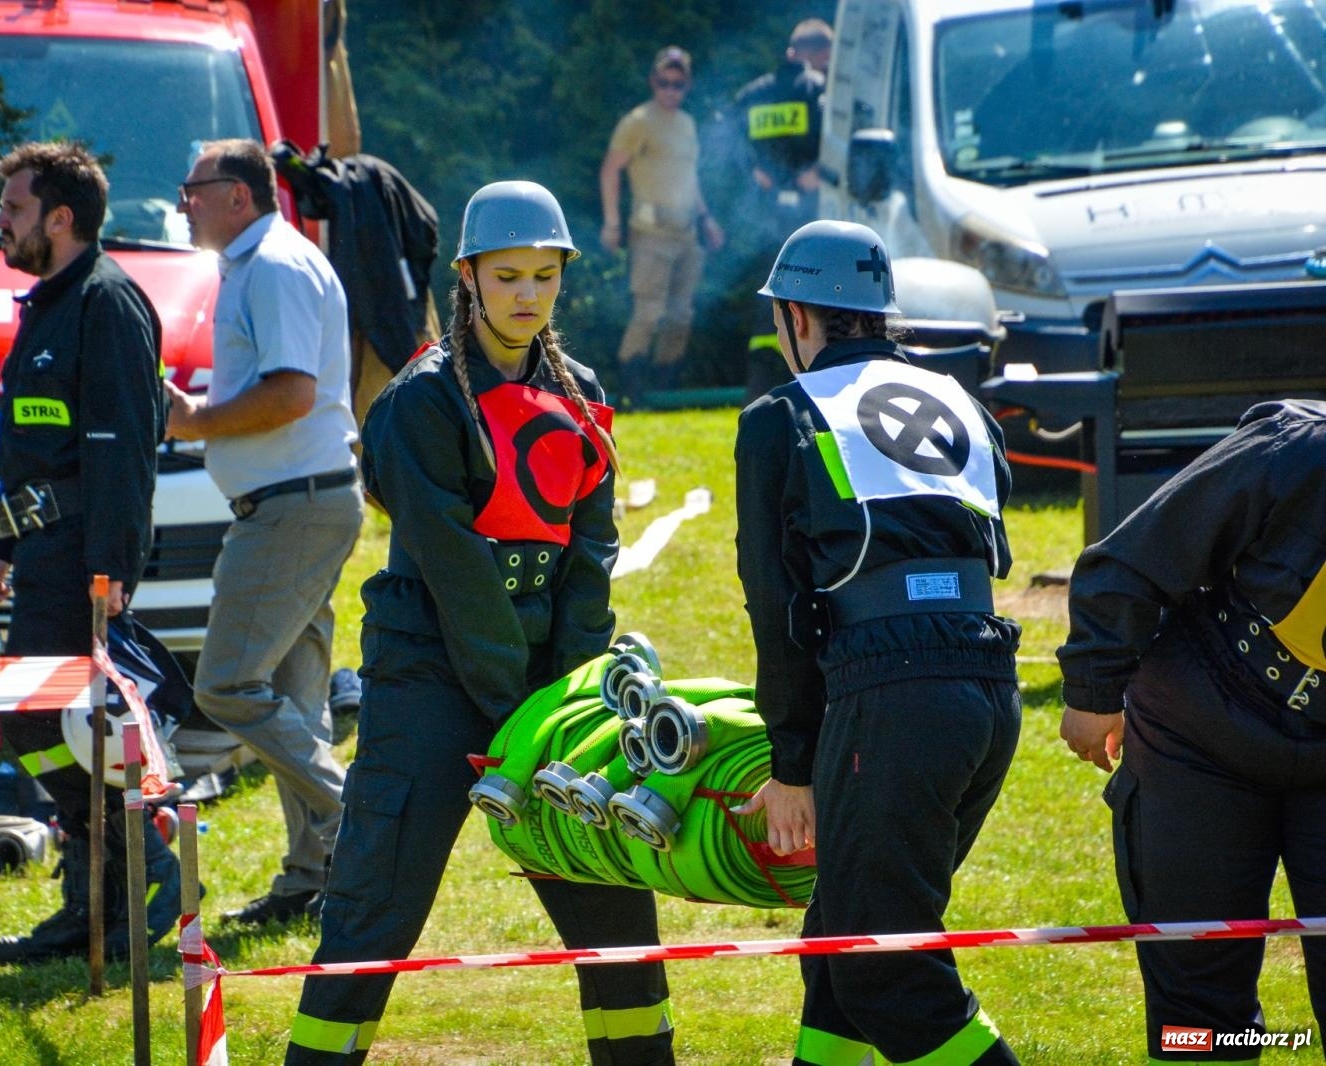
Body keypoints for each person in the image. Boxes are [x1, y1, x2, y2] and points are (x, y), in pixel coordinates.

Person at [285, 181, 676, 1065]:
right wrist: (518, 709)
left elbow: (591, 555)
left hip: (546, 682)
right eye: (507, 277)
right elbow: (456, 573)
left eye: (545, 275)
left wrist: (570, 695)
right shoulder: (422, 401)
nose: (528, 295)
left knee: (612, 903)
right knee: (374, 906)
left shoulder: (582, 393)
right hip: (427, 676)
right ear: (467, 276)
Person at [733, 220, 1023, 1064]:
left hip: (894, 699)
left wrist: (792, 767)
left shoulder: (781, 416)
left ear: (795, 315)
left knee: (879, 967)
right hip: (985, 689)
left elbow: (776, 605)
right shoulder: (963, 402)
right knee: (841, 946)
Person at [1057, 400, 1326, 1058]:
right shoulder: (1297, 446)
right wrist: (1094, 689)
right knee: (1199, 1025)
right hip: (1199, 731)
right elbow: (1130, 558)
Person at [0, 141, 185, 964]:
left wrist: (113, 574)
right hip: (40, 555)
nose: (1, 222)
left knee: (47, 720)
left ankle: (149, 867)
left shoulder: (108, 305)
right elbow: (32, 449)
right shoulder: (48, 303)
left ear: (61, 218)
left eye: (15, 209)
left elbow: (124, 456)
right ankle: (93, 900)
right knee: (36, 723)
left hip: (82, 563)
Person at [163, 139, 363, 928]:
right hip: (299, 503)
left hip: (291, 507)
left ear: (239, 196)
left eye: (194, 188)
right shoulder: (261, 262)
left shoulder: (274, 265)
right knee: (294, 700)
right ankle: (314, 878)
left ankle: (362, 825)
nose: (184, 202)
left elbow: (290, 394)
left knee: (227, 686)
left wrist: (196, 422)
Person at [599, 45, 724, 407]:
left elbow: (690, 178)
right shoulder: (638, 121)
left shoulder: (686, 124)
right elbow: (610, 169)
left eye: (678, 84)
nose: (670, 90)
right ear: (653, 81)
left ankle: (662, 392)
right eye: (664, 82)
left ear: (687, 85)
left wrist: (707, 220)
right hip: (650, 233)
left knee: (681, 315)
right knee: (648, 312)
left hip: (686, 233)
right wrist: (611, 223)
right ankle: (630, 395)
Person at [734, 19, 830, 403]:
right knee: (810, 294)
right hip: (809, 214)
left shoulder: (755, 93)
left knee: (767, 300)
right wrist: (817, 171)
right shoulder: (819, 90)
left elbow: (726, 138)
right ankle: (809, 378)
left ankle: (761, 388)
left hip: (763, 216)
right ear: (820, 54)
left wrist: (755, 172)